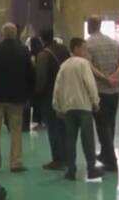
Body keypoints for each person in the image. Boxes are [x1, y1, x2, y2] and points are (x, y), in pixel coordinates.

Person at [0, 23, 34, 173]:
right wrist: (28, 94)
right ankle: (16, 163)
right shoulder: (24, 51)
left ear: (2, 34)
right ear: (16, 34)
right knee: (16, 131)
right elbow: (30, 74)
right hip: (17, 98)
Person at [53, 37, 102, 182]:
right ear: (75, 49)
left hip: (69, 109)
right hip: (84, 107)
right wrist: (95, 101)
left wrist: (57, 106)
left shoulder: (64, 65)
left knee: (70, 140)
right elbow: (90, 84)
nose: (86, 52)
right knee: (88, 141)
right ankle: (91, 169)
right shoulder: (83, 64)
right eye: (84, 48)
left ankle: (71, 171)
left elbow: (57, 88)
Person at [85, 16, 119, 172]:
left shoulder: (88, 44)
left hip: (100, 91)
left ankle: (111, 161)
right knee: (111, 123)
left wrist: (105, 78)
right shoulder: (113, 42)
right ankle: (104, 153)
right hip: (114, 91)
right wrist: (114, 76)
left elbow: (89, 66)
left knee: (102, 126)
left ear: (90, 25)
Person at [32, 29, 71, 170]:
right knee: (64, 127)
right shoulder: (64, 49)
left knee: (53, 128)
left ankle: (58, 159)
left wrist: (36, 93)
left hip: (50, 96)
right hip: (65, 93)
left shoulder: (43, 55)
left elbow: (41, 78)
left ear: (41, 39)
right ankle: (67, 157)